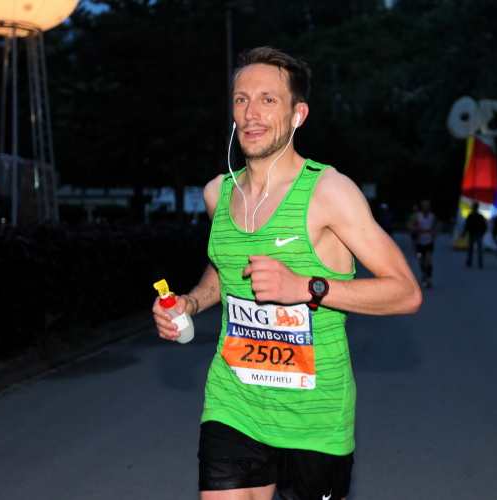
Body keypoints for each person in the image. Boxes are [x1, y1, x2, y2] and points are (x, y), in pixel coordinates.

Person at [152, 47, 422, 500]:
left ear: (298, 114)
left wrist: (305, 287)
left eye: (268, 99)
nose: (251, 113)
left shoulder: (329, 191)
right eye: (241, 99)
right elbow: (223, 270)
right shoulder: (218, 193)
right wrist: (191, 302)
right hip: (233, 403)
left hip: (314, 418)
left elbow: (406, 292)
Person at [407, 200, 437, 287]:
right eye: (424, 206)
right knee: (422, 260)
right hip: (420, 242)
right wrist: (415, 228)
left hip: (429, 241)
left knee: (428, 258)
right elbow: (410, 225)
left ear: (429, 207)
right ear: (422, 207)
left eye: (427, 206)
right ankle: (424, 274)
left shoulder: (432, 216)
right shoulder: (418, 216)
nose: (425, 208)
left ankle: (428, 278)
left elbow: (436, 226)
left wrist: (434, 232)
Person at [462, 201, 487, 268]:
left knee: (470, 249)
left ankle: (470, 262)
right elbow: (484, 226)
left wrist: (464, 233)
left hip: (472, 233)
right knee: (479, 249)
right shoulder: (480, 216)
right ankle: (480, 263)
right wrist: (482, 233)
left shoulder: (470, 216)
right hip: (479, 233)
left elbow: (467, 225)